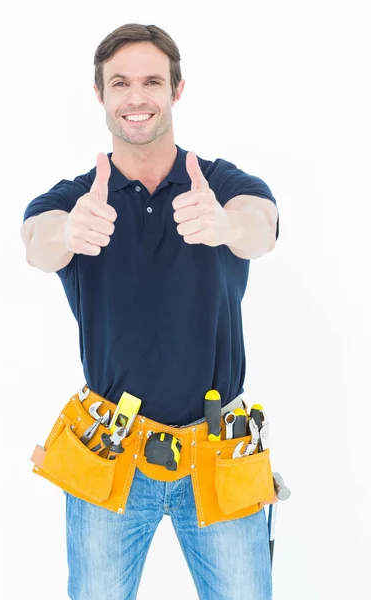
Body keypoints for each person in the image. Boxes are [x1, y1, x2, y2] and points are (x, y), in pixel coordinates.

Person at [21, 22, 280, 600]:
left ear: (176, 91)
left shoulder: (218, 183)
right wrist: (68, 229)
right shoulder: (76, 199)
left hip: (219, 450)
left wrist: (225, 224)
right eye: (120, 83)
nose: (136, 97)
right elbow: (36, 242)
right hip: (109, 452)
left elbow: (262, 227)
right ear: (101, 96)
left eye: (152, 82)